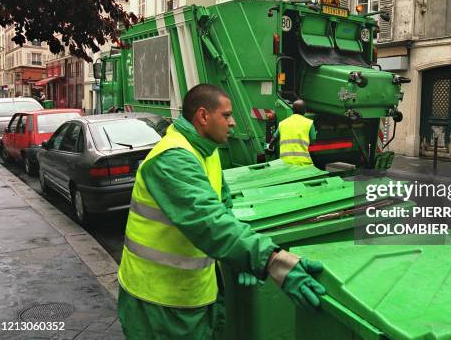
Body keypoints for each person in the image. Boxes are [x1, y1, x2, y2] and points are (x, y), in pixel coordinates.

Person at [117, 84, 325, 340]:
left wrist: (238, 259)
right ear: (203, 116)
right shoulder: (172, 160)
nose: (233, 122)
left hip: (194, 294)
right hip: (157, 302)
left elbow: (223, 209)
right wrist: (273, 261)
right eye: (226, 115)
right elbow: (209, 222)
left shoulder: (207, 152)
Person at [268, 99, 316, 166]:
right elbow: (313, 141)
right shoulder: (309, 123)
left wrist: (270, 146)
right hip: (303, 162)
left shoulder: (282, 123)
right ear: (304, 110)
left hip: (285, 162)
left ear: (292, 110)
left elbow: (274, 139)